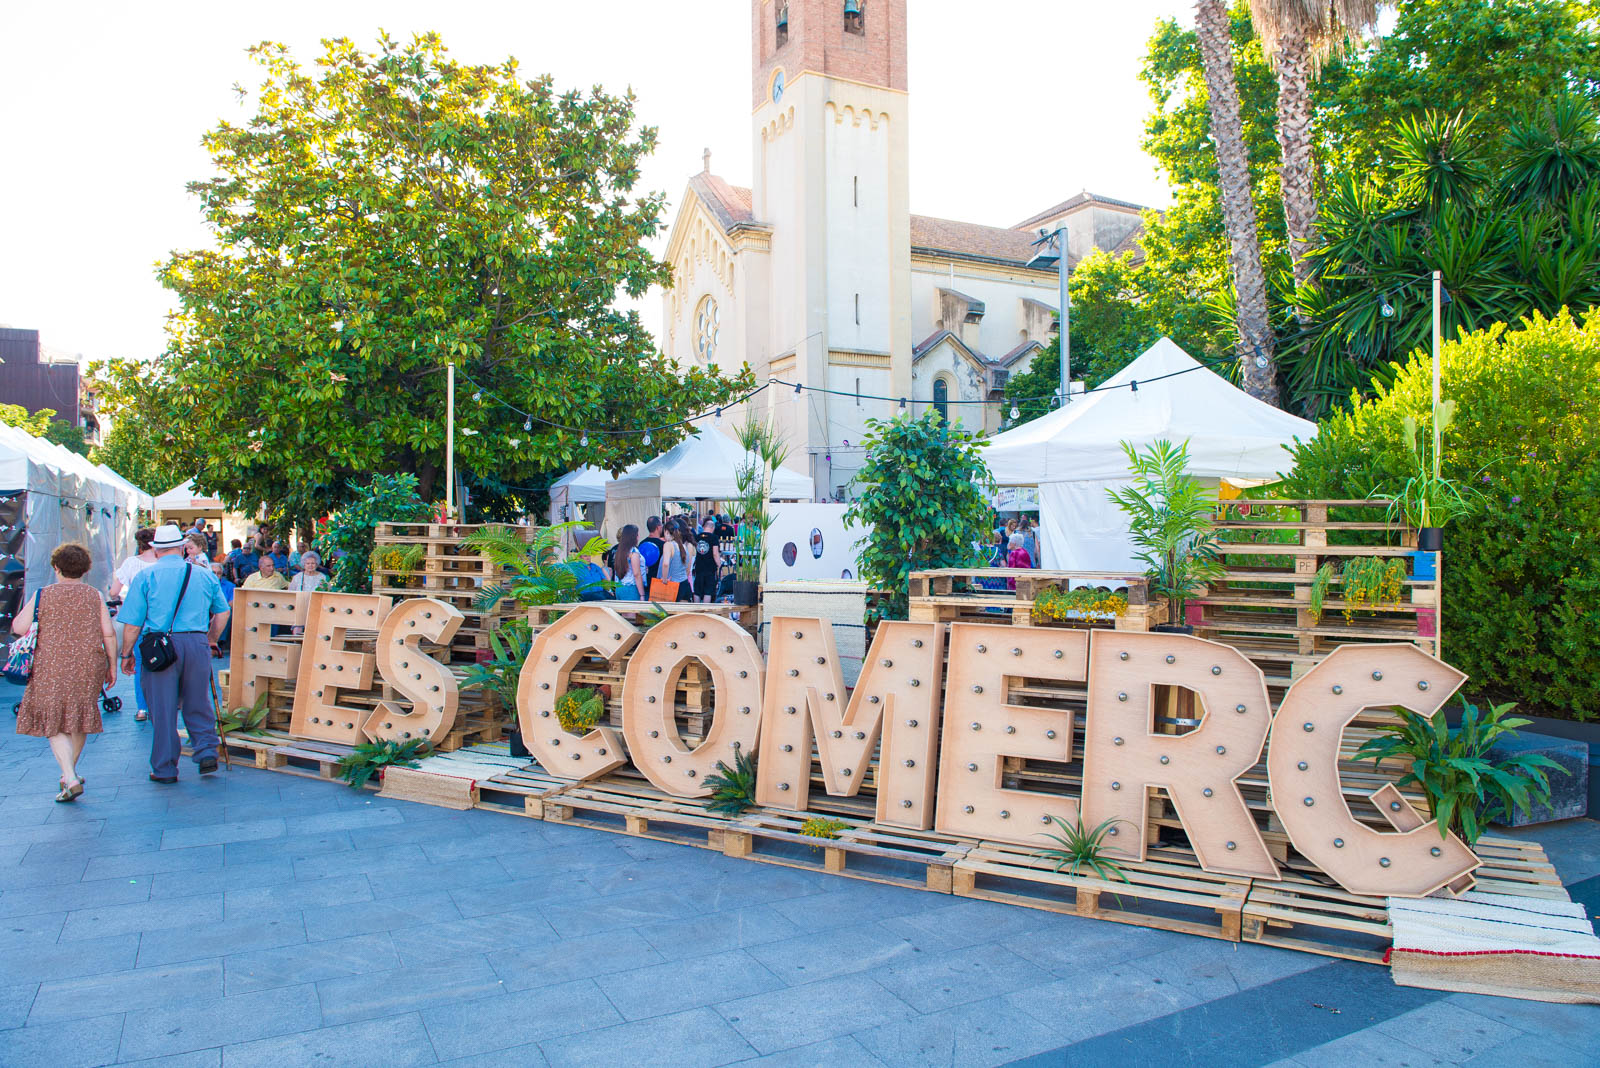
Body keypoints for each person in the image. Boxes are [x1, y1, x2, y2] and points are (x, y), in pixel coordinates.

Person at [117, 523, 230, 784]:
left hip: (160, 646)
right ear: (182, 548)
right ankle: (206, 752)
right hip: (196, 643)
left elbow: (132, 624)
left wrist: (126, 655)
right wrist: (211, 639)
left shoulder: (146, 577)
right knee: (198, 701)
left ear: (156, 551)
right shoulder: (203, 575)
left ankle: (165, 768)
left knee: (163, 707)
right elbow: (223, 612)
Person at [11, 543, 117, 802]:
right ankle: (70, 774)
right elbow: (108, 633)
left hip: (51, 665)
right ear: (85, 569)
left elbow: (18, 627)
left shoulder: (42, 594)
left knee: (53, 721)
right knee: (80, 716)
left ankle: (69, 775)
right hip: (88, 664)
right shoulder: (94, 595)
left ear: (56, 567)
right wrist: (112, 664)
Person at [109, 528, 159, 721]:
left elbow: (114, 592)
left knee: (140, 664)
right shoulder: (163, 563)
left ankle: (142, 707)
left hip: (138, 619)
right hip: (163, 621)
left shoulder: (130, 563)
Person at [612, 524, 647, 601]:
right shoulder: (633, 551)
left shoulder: (619, 551)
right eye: (637, 534)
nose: (638, 537)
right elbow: (636, 574)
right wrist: (642, 594)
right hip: (631, 588)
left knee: (624, 612)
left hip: (619, 587)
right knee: (632, 612)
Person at [662, 519, 694, 601]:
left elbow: (665, 563)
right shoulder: (683, 545)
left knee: (672, 613)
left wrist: (664, 579)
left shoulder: (668, 545)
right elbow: (687, 565)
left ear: (666, 531)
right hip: (685, 584)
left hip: (673, 585)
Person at [692, 517, 722, 603]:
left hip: (698, 567)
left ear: (704, 527)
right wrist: (719, 565)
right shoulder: (714, 538)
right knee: (708, 591)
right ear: (712, 528)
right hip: (710, 568)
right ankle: (705, 611)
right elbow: (715, 553)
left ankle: (696, 610)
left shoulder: (697, 537)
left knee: (697, 590)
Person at [210, 561, 235, 654]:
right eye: (213, 572)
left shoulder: (229, 585)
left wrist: (220, 611)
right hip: (207, 611)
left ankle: (218, 642)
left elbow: (232, 601)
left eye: (219, 573)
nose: (216, 575)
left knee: (226, 613)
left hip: (222, 610)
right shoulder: (203, 583)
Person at [640, 517, 665, 584]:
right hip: (659, 582)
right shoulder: (663, 545)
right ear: (658, 527)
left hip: (644, 581)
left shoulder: (642, 543)